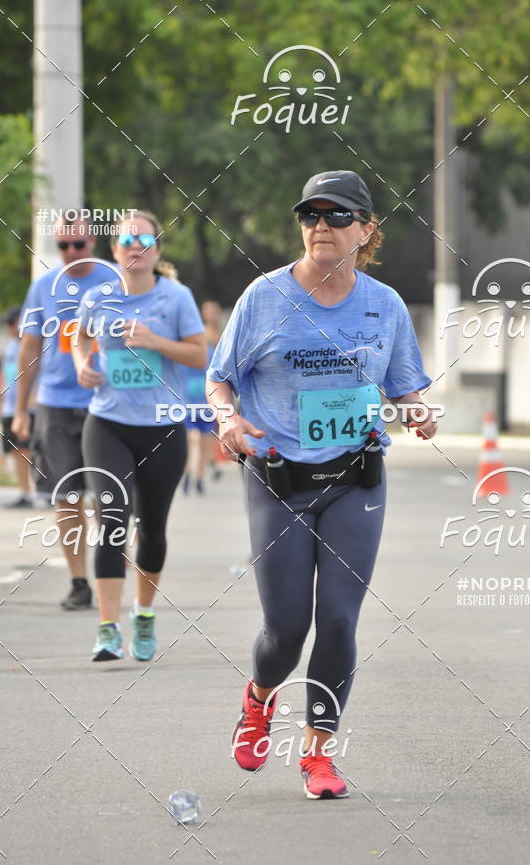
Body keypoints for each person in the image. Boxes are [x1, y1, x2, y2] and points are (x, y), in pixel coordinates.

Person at [206, 170, 437, 799]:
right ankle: (260, 698)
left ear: (366, 230)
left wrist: (417, 409)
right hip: (278, 476)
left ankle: (317, 755)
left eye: (338, 216)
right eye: (311, 215)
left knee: (337, 619)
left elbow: (403, 383)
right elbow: (220, 378)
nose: (321, 226)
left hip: (355, 477)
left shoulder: (385, 305)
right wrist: (227, 419)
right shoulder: (265, 297)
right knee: (286, 629)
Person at [71, 210, 206, 662]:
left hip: (163, 427)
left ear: (157, 249)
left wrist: (156, 342)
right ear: (114, 250)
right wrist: (83, 365)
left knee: (152, 529)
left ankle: (143, 615)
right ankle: (107, 628)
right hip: (107, 423)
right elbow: (79, 338)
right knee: (112, 518)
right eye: (127, 240)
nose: (135, 247)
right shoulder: (97, 297)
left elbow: (199, 356)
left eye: (145, 239)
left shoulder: (177, 297)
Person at [13, 213, 106, 609]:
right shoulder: (43, 286)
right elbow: (30, 348)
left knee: (108, 497)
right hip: (55, 404)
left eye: (78, 244)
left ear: (93, 243)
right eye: (63, 246)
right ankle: (79, 581)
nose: (71, 252)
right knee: (66, 497)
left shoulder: (114, 279)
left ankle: (110, 572)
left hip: (106, 404)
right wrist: (21, 407)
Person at [179, 301, 224, 493]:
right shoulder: (184, 354)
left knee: (203, 443)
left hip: (204, 405)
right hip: (189, 405)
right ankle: (189, 476)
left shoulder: (211, 354)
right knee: (194, 442)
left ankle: (197, 477)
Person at [0, 306, 35, 507]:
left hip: (32, 407)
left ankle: (47, 489)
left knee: (33, 450)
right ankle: (25, 492)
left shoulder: (34, 344)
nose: (12, 327)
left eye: (14, 323)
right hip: (10, 407)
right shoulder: (9, 348)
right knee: (17, 450)